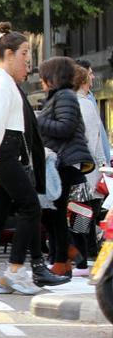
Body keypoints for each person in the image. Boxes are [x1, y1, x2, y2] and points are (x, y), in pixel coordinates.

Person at [0, 22, 45, 295]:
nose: (28, 58)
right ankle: (14, 270)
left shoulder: (1, 81)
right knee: (30, 207)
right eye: (25, 52)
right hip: (4, 151)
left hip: (2, 151)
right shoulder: (2, 82)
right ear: (10, 53)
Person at [37, 56, 95, 277]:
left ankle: (63, 259)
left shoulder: (65, 97)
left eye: (44, 76)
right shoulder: (59, 96)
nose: (41, 80)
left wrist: (37, 121)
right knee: (52, 211)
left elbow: (66, 127)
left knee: (55, 211)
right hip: (62, 160)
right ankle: (67, 254)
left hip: (66, 161)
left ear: (53, 77)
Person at [74, 64, 106, 276]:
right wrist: (103, 164)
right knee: (86, 213)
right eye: (90, 74)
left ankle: (84, 256)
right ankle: (83, 257)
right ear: (83, 79)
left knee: (84, 212)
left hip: (83, 167)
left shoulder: (81, 101)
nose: (93, 76)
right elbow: (92, 140)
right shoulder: (84, 104)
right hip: (89, 169)